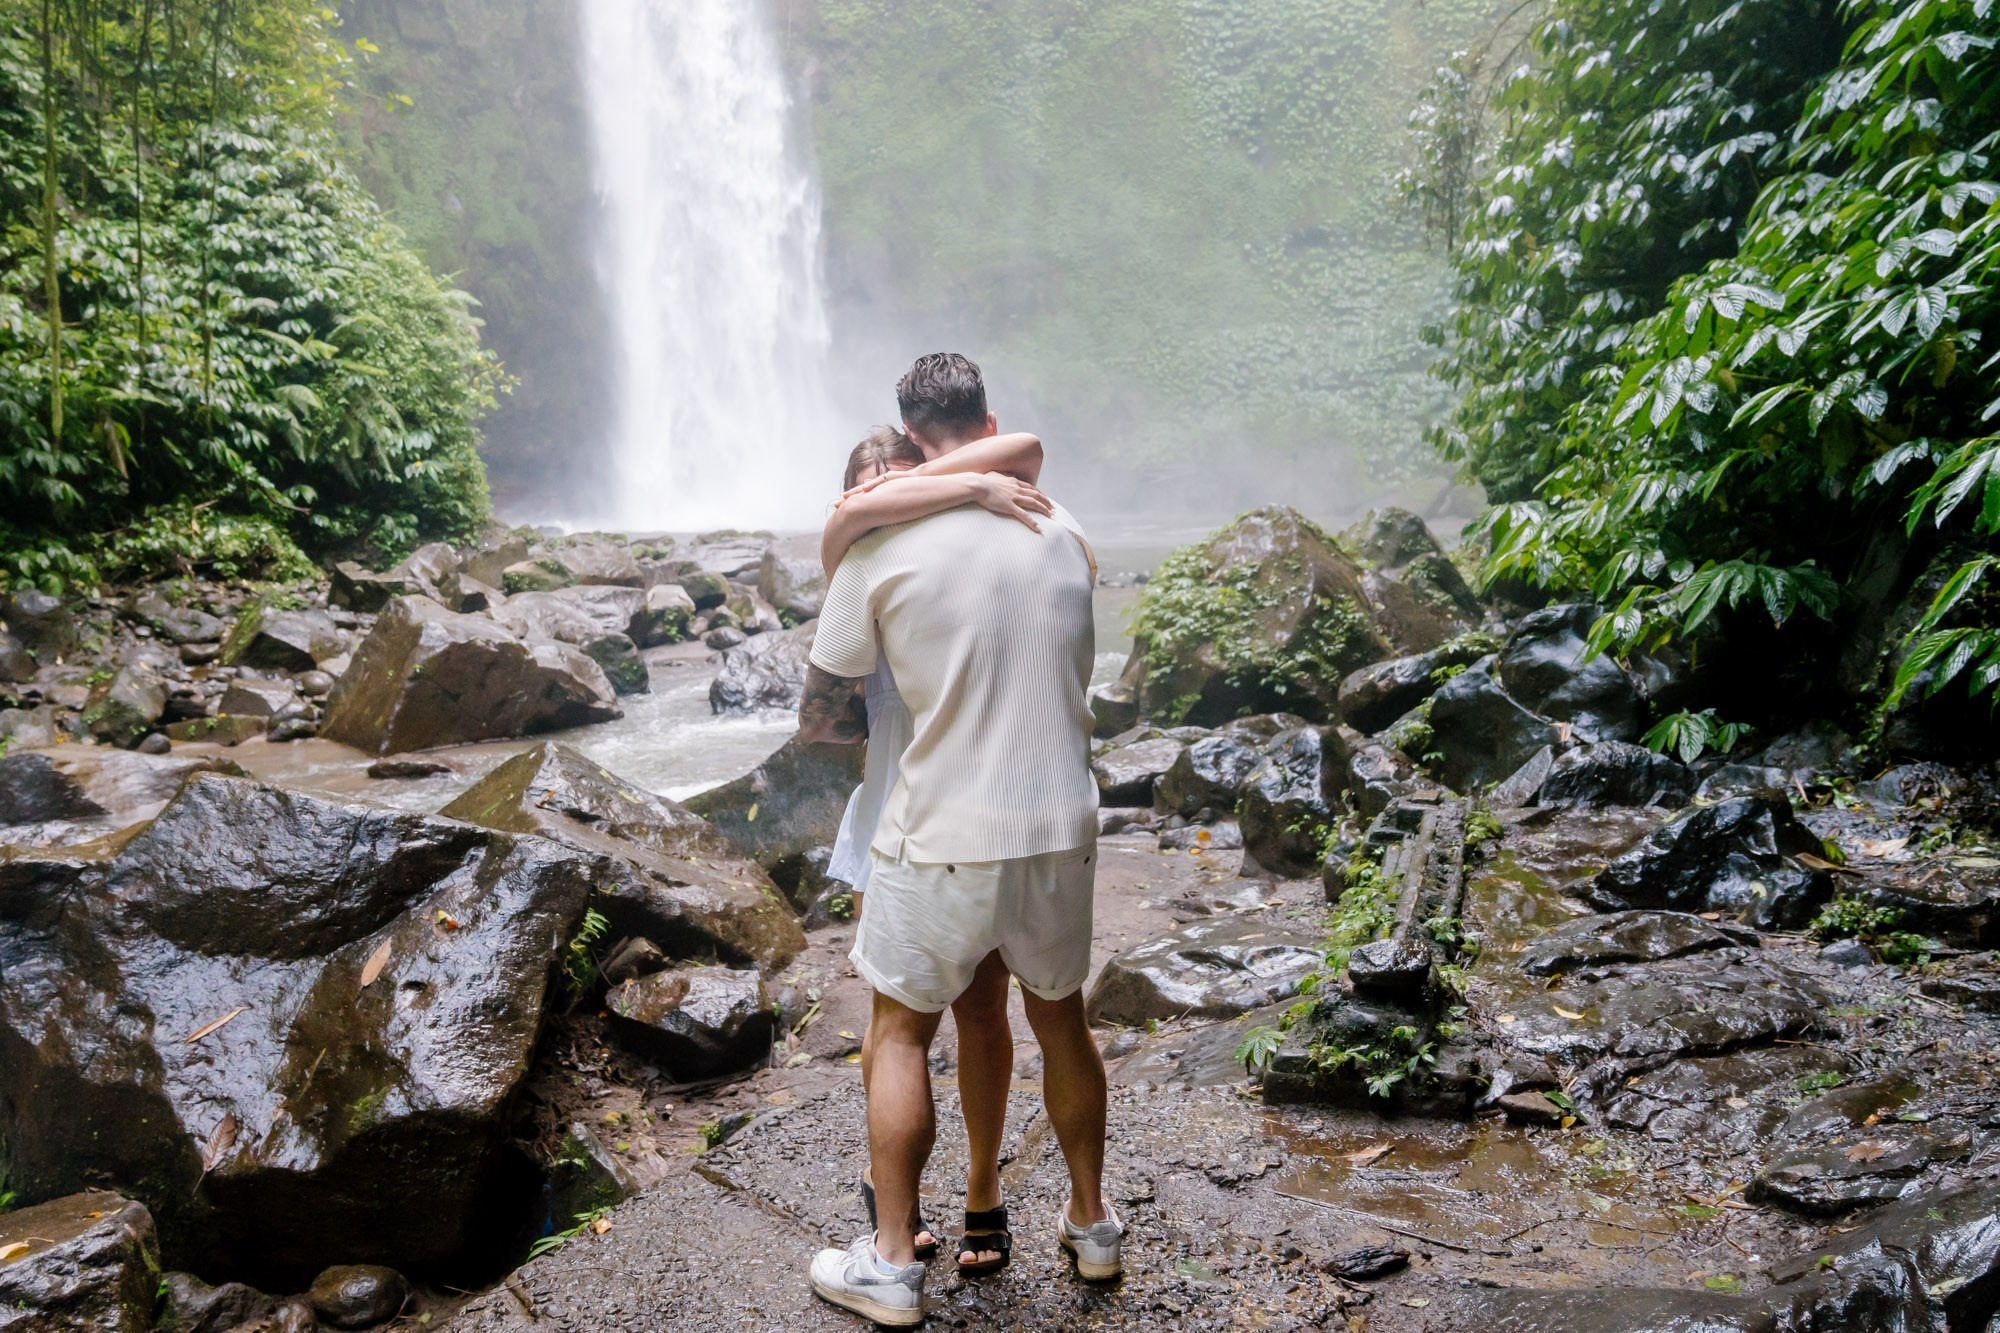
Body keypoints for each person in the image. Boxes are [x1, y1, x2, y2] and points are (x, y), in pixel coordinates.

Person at [798, 354, 1121, 1328]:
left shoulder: (882, 546)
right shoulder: (1061, 529)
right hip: (1058, 824)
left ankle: (891, 1261)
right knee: (1059, 1018)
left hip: (941, 829)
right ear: (984, 423)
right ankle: (1091, 1223)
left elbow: (822, 716)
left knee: (897, 1031)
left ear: (905, 442)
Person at [819, 423, 1053, 1269]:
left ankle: (983, 1192)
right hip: (888, 818)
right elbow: (849, 518)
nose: (885, 491)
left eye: (901, 476)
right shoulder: (855, 560)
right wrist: (968, 484)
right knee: (892, 1028)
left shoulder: (967, 560)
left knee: (983, 1007)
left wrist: (972, 492)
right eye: (872, 481)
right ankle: (897, 1206)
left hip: (967, 814)